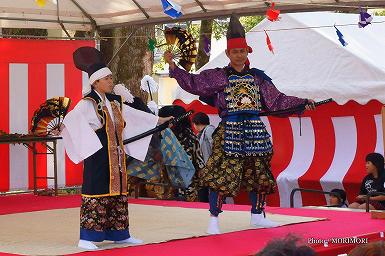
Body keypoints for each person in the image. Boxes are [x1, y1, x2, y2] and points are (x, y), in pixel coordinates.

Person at [164, 15, 315, 234]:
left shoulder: (258, 78)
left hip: (255, 131)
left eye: (242, 51)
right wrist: (173, 66)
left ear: (247, 52)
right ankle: (214, 219)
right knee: (221, 174)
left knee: (259, 173)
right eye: (235, 51)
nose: (239, 55)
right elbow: (194, 83)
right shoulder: (219, 76)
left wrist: (302, 103)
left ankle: (257, 215)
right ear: (228, 53)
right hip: (230, 131)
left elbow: (276, 101)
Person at [59, 47, 172, 250]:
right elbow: (70, 121)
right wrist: (85, 141)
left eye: (111, 78)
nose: (111, 81)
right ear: (96, 82)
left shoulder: (114, 101)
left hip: (116, 156)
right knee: (97, 193)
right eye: (107, 79)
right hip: (98, 156)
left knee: (118, 193)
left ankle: (120, 234)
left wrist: (159, 119)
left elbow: (134, 116)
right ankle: (86, 237)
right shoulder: (88, 103)